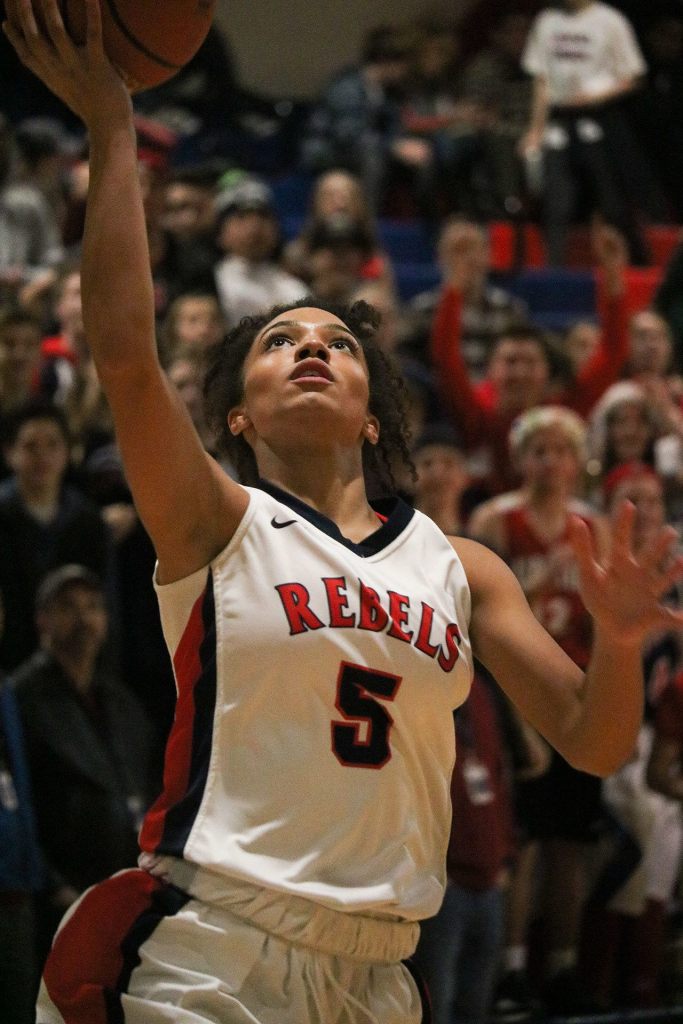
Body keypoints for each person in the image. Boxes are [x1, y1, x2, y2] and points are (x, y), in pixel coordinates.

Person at [5, 5, 683, 1023]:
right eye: (282, 341)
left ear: (373, 413)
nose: (313, 347)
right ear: (237, 409)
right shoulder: (214, 519)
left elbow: (590, 742)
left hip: (376, 975)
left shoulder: (459, 565)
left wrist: (623, 639)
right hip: (208, 951)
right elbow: (124, 355)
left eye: (339, 342)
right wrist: (112, 124)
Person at [14, 563, 155, 960]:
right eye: (68, 607)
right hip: (59, 902)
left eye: (92, 606)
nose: (82, 618)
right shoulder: (21, 701)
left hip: (125, 895)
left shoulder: (123, 704)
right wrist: (52, 885)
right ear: (43, 620)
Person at [519, 0, 652, 266]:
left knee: (612, 201)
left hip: (599, 119)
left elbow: (633, 75)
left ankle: (638, 266)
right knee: (557, 202)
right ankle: (554, 271)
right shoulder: (547, 21)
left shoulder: (610, 20)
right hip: (559, 120)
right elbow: (542, 79)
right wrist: (535, 128)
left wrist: (594, 97)